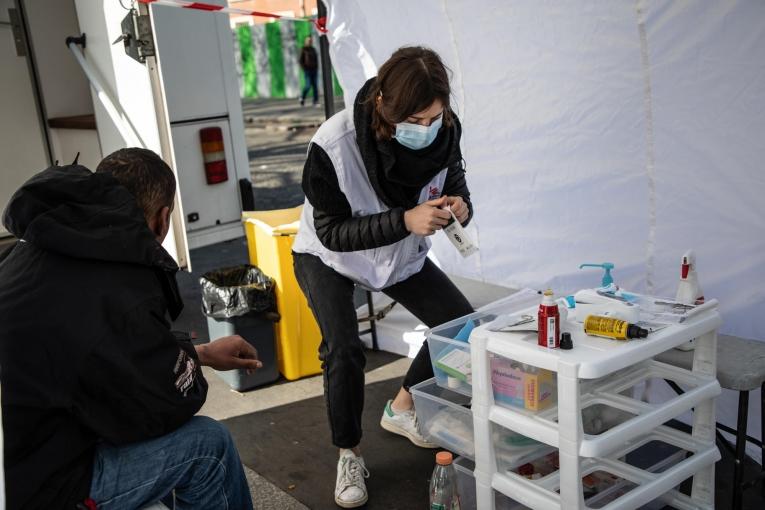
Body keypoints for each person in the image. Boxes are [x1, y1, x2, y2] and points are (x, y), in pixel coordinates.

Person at [0, 148, 260, 509]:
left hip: (19, 453)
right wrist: (185, 366)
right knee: (208, 445)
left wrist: (199, 354)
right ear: (162, 219)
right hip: (43, 485)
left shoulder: (38, 246)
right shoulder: (121, 286)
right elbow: (167, 405)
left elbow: (96, 349)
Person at [291, 46, 475, 508]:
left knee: (459, 326)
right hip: (327, 256)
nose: (428, 128)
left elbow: (455, 180)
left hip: (397, 251)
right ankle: (348, 453)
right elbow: (331, 230)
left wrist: (460, 206)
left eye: (436, 116)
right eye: (416, 120)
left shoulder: (444, 130)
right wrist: (404, 220)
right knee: (344, 349)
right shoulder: (333, 145)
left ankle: (403, 407)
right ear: (384, 109)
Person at [299, 35, 319, 107]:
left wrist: (316, 68)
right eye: (308, 40)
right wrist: (304, 68)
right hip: (307, 71)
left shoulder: (313, 49)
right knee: (308, 85)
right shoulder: (304, 49)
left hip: (314, 70)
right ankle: (302, 98)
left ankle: (315, 101)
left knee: (315, 86)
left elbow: (316, 59)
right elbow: (301, 61)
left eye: (310, 40)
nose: (310, 41)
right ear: (305, 41)